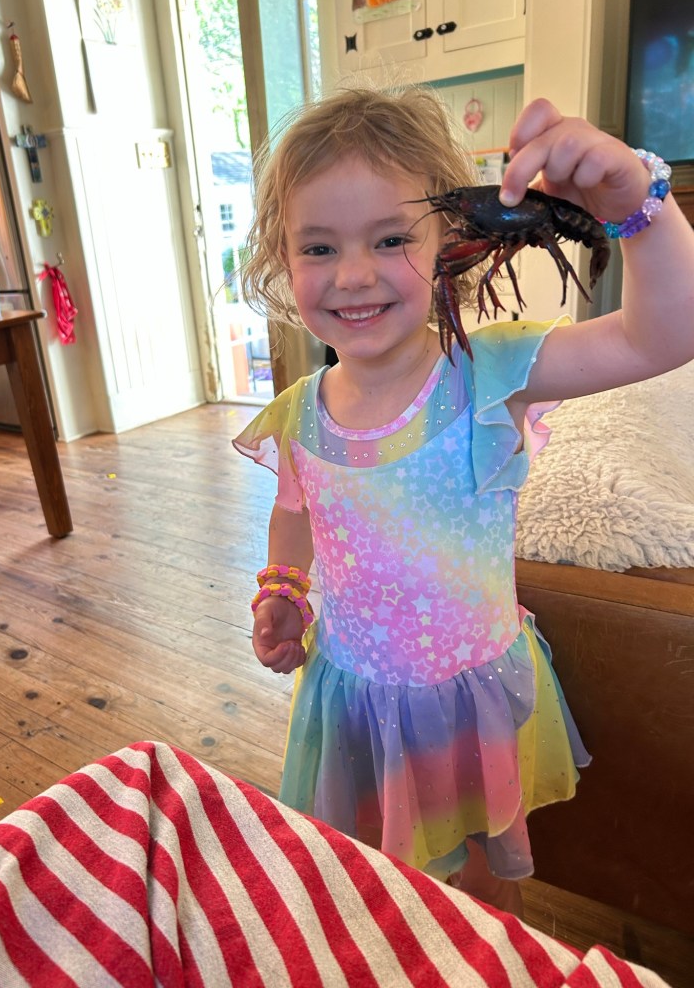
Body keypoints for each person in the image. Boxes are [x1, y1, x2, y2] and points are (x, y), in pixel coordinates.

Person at [232, 84, 694, 915]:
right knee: (379, 882)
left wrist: (639, 207)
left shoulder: (488, 375)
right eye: (320, 247)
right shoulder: (299, 413)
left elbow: (663, 335)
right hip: (354, 702)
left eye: (390, 239)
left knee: (482, 890)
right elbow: (297, 510)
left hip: (470, 699)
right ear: (281, 257)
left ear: (449, 240)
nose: (355, 274)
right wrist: (284, 589)